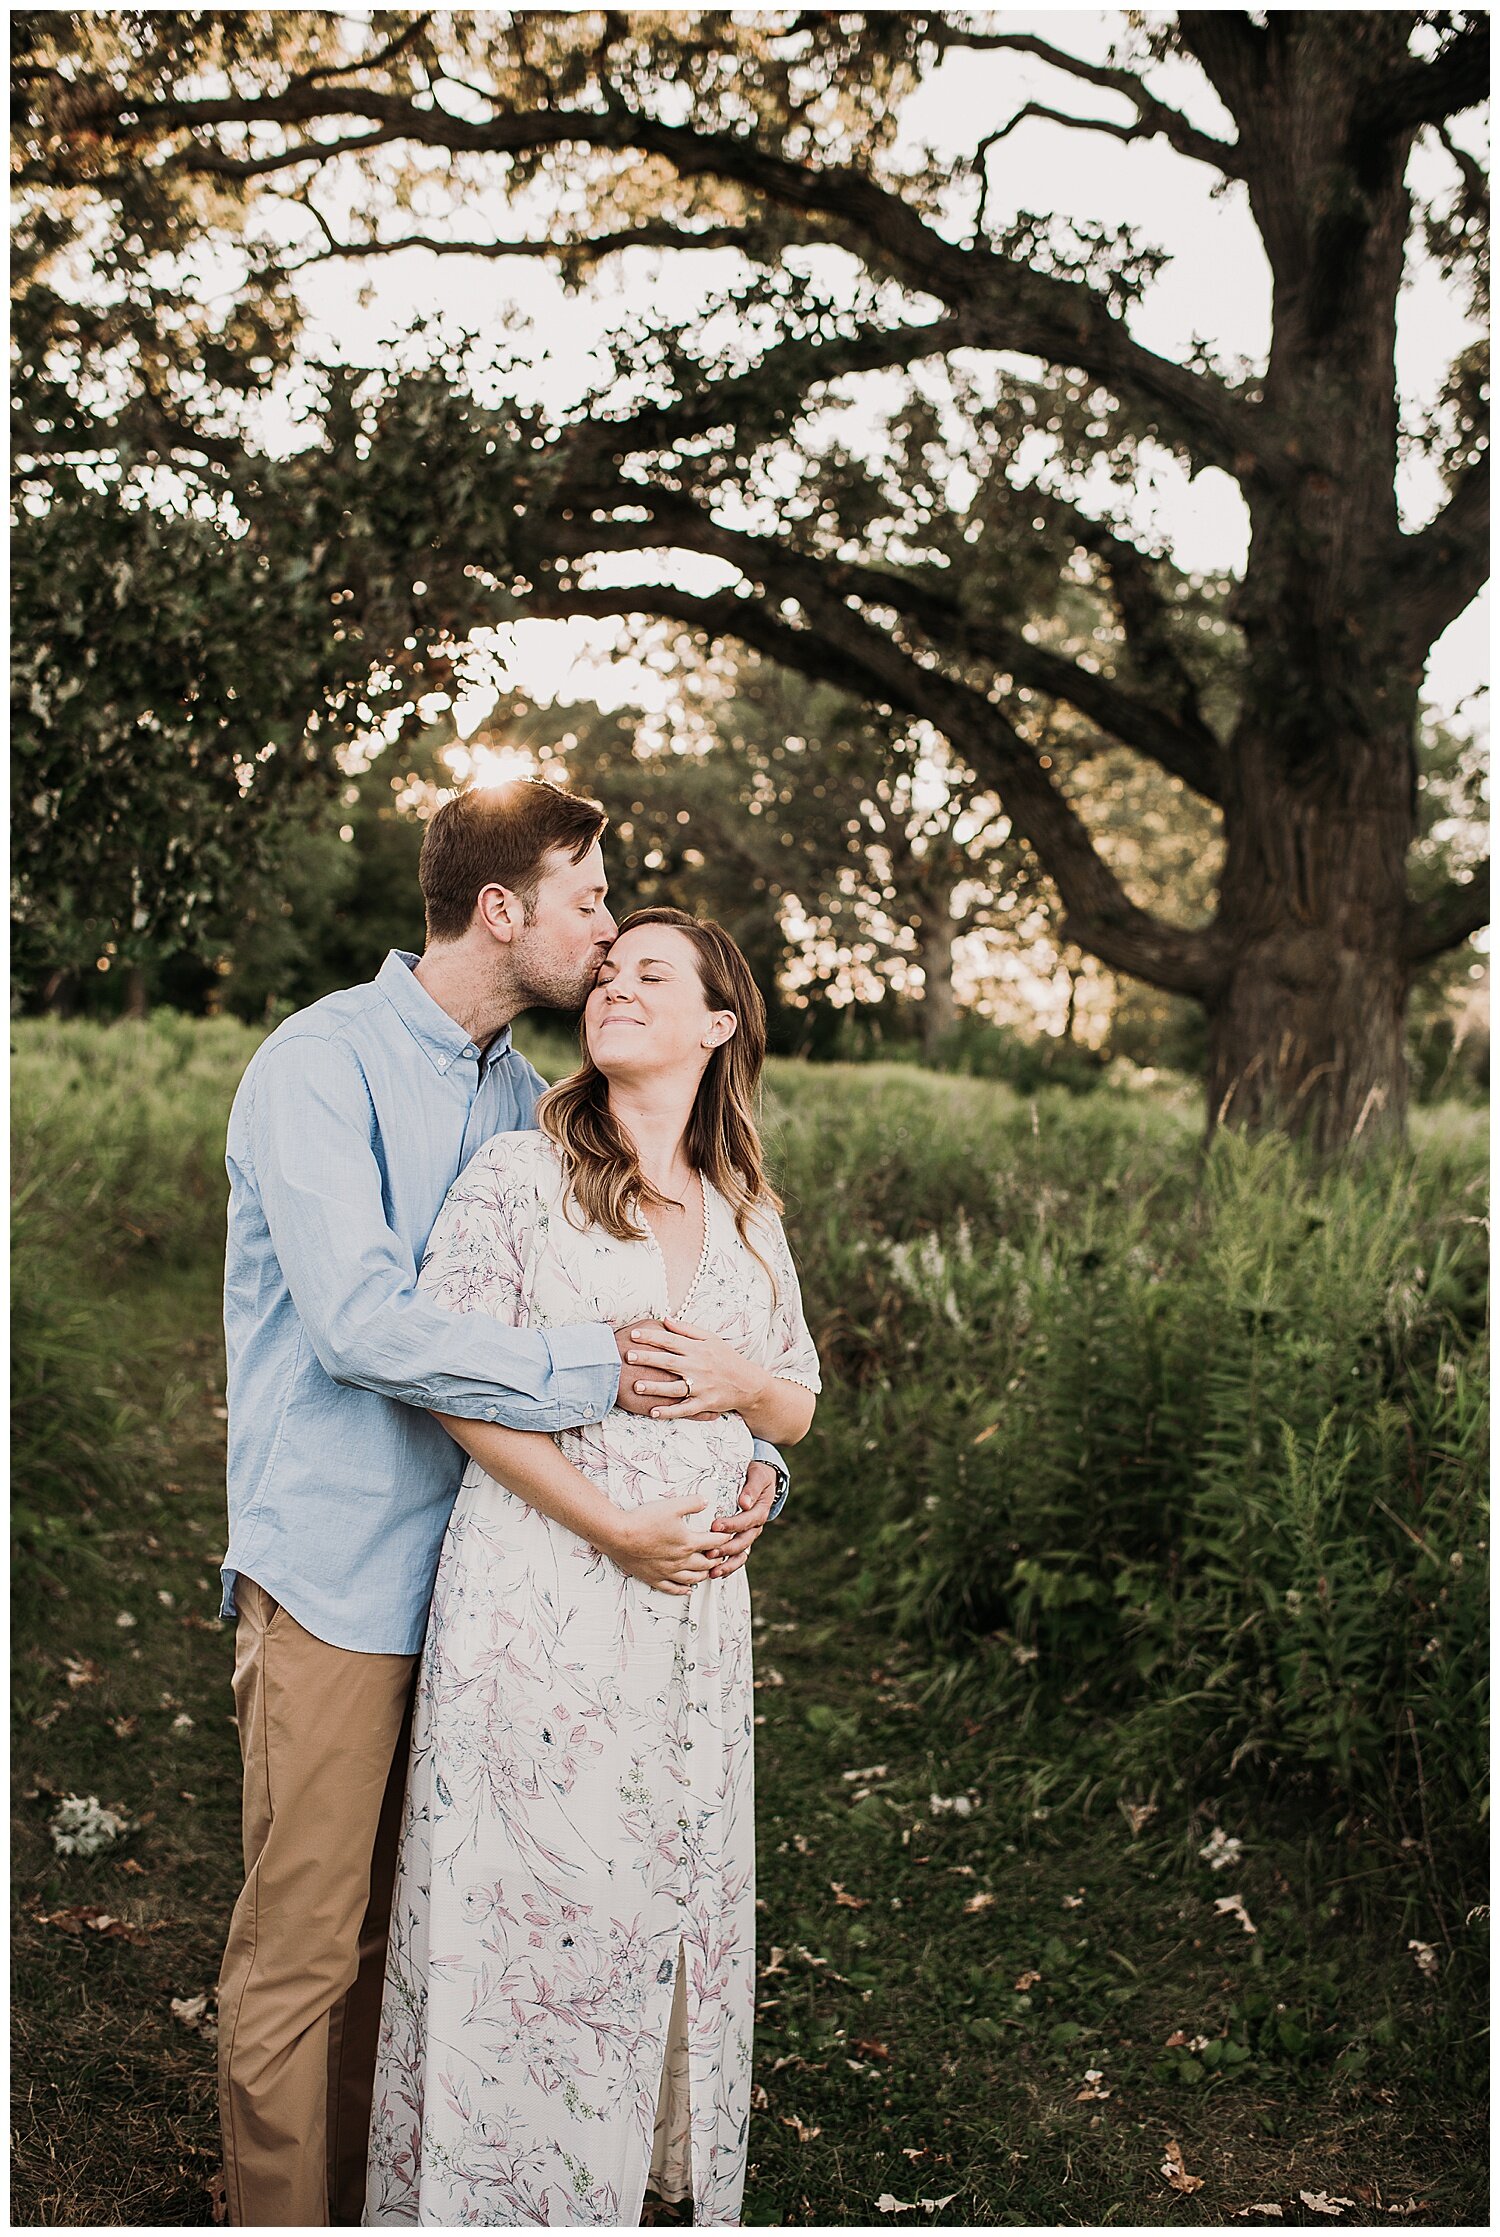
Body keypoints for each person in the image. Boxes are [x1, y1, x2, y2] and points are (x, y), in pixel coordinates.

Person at [217, 783, 792, 2228]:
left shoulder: (516, 1095)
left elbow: (754, 1341)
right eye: (590, 899)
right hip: (345, 1569)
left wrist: (751, 1451)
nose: (605, 932)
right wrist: (589, 1371)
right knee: (307, 1950)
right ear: (503, 908)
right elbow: (358, 1324)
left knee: (427, 1937)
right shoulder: (319, 1064)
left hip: (494, 1597)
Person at [364, 909, 820, 2229]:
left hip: (691, 1623)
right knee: (529, 1900)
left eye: (650, 974)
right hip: (539, 1596)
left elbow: (794, 1400)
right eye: (608, 972)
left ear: (717, 1023)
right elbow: (450, 1380)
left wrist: (747, 1409)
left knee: (651, 1897)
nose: (613, 984)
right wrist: (613, 1527)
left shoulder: (745, 1205)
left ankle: (618, 2177)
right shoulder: (521, 1176)